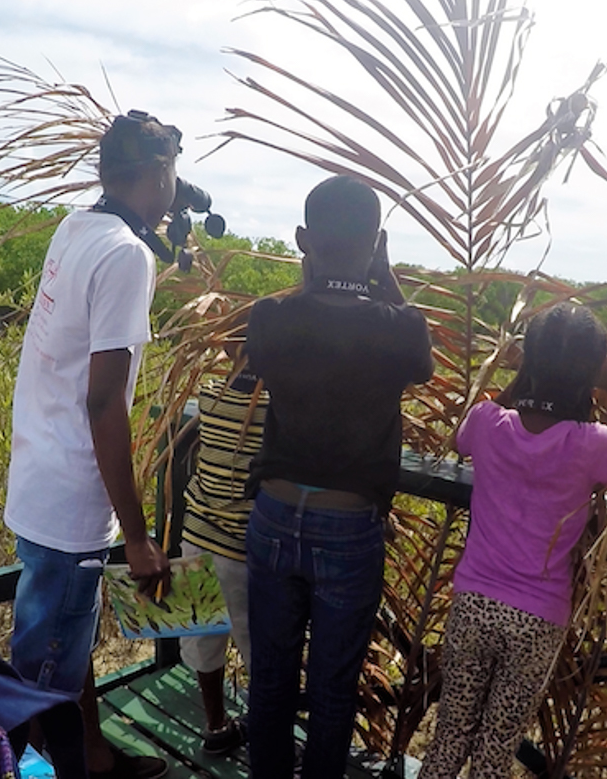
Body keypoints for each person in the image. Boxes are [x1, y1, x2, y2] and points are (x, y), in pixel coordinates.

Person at [4, 110, 180, 779]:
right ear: (159, 175)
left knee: (57, 652)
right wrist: (136, 536)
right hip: (73, 505)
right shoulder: (128, 255)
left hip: (38, 481)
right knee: (41, 683)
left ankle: (93, 757)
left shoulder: (77, 228)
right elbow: (104, 400)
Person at [242, 175, 434, 779]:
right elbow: (421, 362)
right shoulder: (400, 328)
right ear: (375, 244)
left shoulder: (269, 318)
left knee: (270, 679)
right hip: (348, 526)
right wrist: (381, 272)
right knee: (333, 688)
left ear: (303, 240)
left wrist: (322, 276)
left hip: (274, 517)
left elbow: (298, 325)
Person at [417, 302, 607, 779]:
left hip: (473, 603)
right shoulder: (595, 444)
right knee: (494, 752)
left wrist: (522, 375)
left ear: (529, 361)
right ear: (592, 370)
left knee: (448, 740)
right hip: (538, 618)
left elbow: (461, 436)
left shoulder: (488, 423)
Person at [178, 362, 268, 756]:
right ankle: (269, 741)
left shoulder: (210, 394)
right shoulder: (275, 405)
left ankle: (216, 725)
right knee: (259, 650)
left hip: (197, 536)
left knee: (205, 637)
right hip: (241, 550)